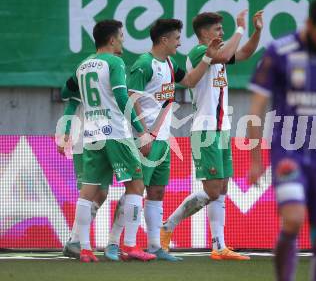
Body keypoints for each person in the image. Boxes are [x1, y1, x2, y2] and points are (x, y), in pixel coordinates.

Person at [248, 0, 316, 281]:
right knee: (293, 220)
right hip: (289, 151)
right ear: (309, 23)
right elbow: (257, 107)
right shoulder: (278, 52)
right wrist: (255, 159)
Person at [104, 18, 221, 261]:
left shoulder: (169, 63)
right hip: (144, 139)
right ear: (164, 40)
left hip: (163, 139)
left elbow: (189, 81)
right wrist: (143, 134)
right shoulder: (144, 64)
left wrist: (208, 58)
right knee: (134, 191)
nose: (180, 42)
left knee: (156, 192)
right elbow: (130, 100)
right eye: (177, 38)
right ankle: (114, 243)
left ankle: (154, 245)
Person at [161, 9, 263, 260]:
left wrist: (257, 31)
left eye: (223, 29)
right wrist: (240, 28)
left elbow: (245, 53)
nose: (222, 32)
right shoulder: (199, 52)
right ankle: (167, 227)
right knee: (212, 190)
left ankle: (219, 247)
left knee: (222, 187)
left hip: (222, 128)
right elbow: (227, 52)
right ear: (205, 33)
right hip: (204, 130)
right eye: (218, 29)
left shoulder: (218, 54)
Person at [64, 19, 155, 262]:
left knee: (88, 192)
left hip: (92, 135)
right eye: (122, 36)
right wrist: (140, 130)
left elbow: (68, 93)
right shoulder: (114, 62)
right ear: (112, 39)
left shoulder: (82, 66)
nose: (124, 40)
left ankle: (84, 248)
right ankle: (131, 246)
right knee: (136, 186)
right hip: (115, 132)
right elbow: (122, 95)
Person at [57, 79, 109, 259]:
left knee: (102, 194)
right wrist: (64, 134)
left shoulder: (109, 81)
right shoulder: (84, 83)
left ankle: (75, 239)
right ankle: (75, 241)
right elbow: (70, 106)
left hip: (103, 142)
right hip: (83, 144)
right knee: (87, 192)